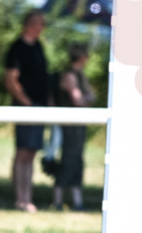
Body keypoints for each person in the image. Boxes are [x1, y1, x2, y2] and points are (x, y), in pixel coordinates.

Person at [4, 9, 50, 212]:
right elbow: (11, 80)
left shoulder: (39, 46)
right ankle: (20, 198)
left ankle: (27, 197)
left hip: (39, 106)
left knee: (31, 152)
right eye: (40, 23)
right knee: (22, 152)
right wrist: (26, 103)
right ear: (30, 24)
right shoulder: (17, 48)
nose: (42, 28)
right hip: (26, 107)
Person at [52, 43, 95, 211]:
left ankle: (77, 202)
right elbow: (80, 100)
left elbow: (87, 97)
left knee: (76, 159)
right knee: (67, 160)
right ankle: (58, 202)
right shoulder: (70, 76)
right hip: (69, 126)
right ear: (82, 57)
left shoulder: (79, 75)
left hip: (77, 125)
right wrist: (88, 98)